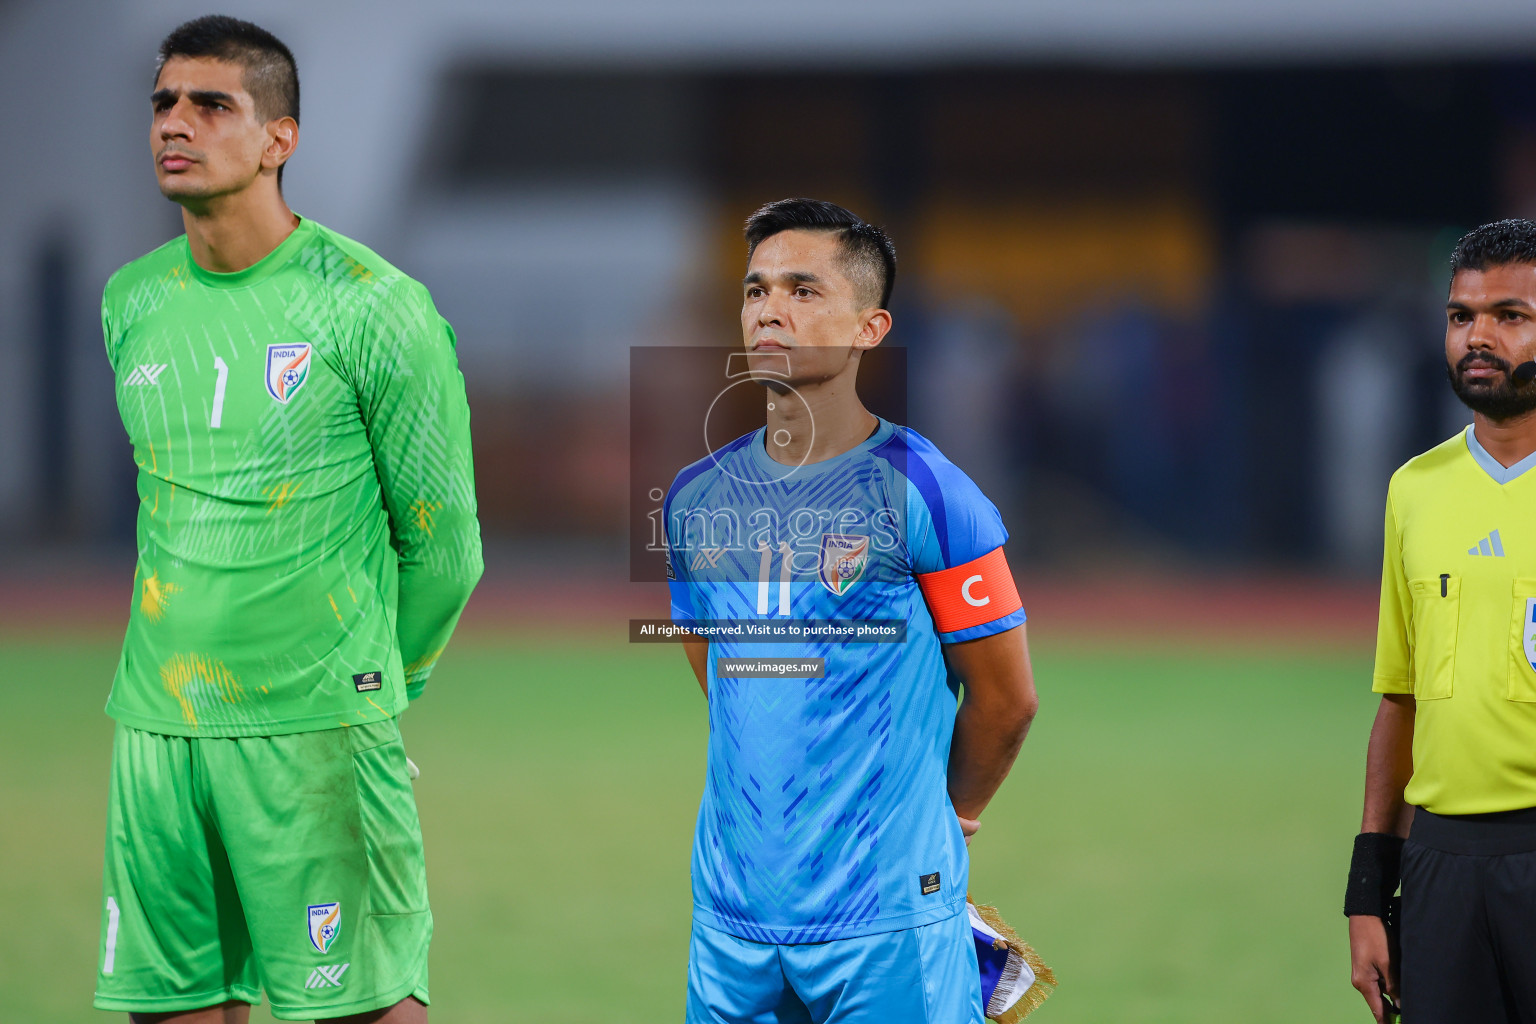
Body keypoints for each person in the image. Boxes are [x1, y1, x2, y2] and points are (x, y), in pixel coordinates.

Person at [93, 16, 481, 1023]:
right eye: (164, 104)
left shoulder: (373, 307)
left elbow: (444, 546)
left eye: (212, 104)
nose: (176, 124)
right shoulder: (130, 300)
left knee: (362, 1008)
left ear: (280, 138)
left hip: (315, 727)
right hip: (156, 727)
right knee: (171, 1008)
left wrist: (380, 689)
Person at [664, 198, 1039, 1023]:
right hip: (732, 920)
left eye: (804, 291)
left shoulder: (928, 492)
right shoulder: (694, 500)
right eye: (756, 289)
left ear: (870, 328)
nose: (770, 309)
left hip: (886, 919)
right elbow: (723, 680)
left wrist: (946, 818)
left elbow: (1006, 699)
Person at [1348, 218, 1536, 1024]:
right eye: (1463, 316)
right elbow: (1401, 697)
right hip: (1440, 868)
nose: (1479, 336)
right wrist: (1366, 891)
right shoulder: (1415, 489)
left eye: (1511, 315)